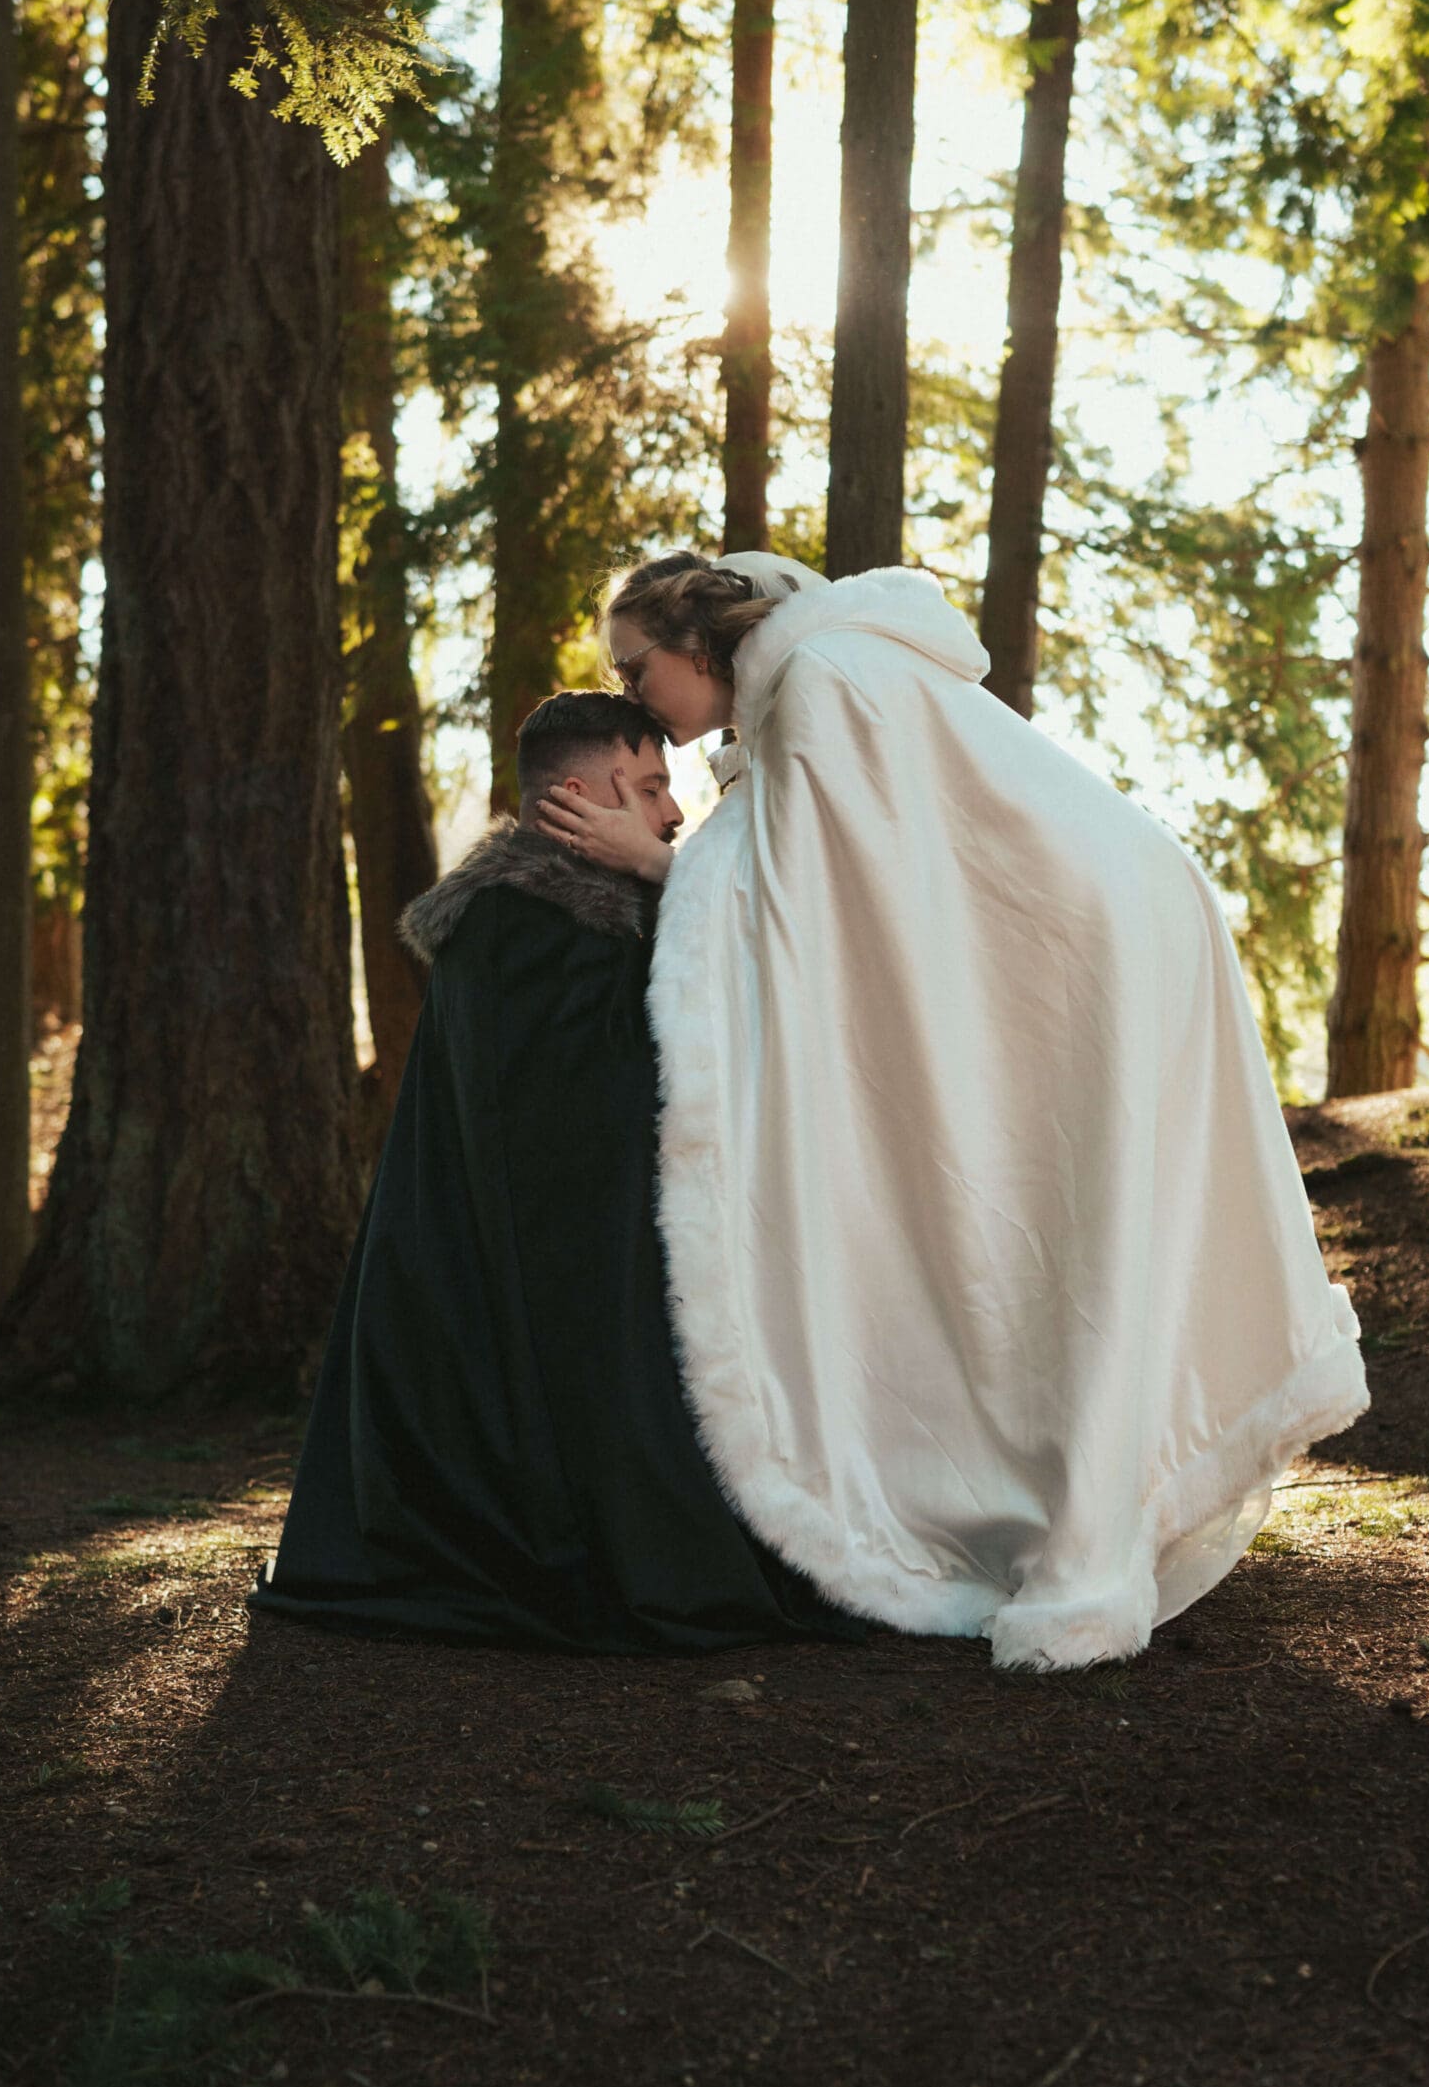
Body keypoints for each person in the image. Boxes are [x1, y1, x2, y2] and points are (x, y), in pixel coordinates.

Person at [539, 552, 1370, 1672]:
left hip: (1092, 941)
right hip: (1092, 932)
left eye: (636, 669)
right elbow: (835, 873)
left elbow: (819, 893)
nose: (632, 695)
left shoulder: (829, 677)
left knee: (1075, 1218)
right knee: (1056, 1221)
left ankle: (1083, 1520)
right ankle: (1079, 1486)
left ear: (694, 645)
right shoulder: (809, 687)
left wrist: (658, 863)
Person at [254, 688, 859, 1653]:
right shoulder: (533, 925)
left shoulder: (585, 912)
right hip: (558, 1311)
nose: (672, 812)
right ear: (578, 795)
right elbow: (587, 1145)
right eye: (652, 787)